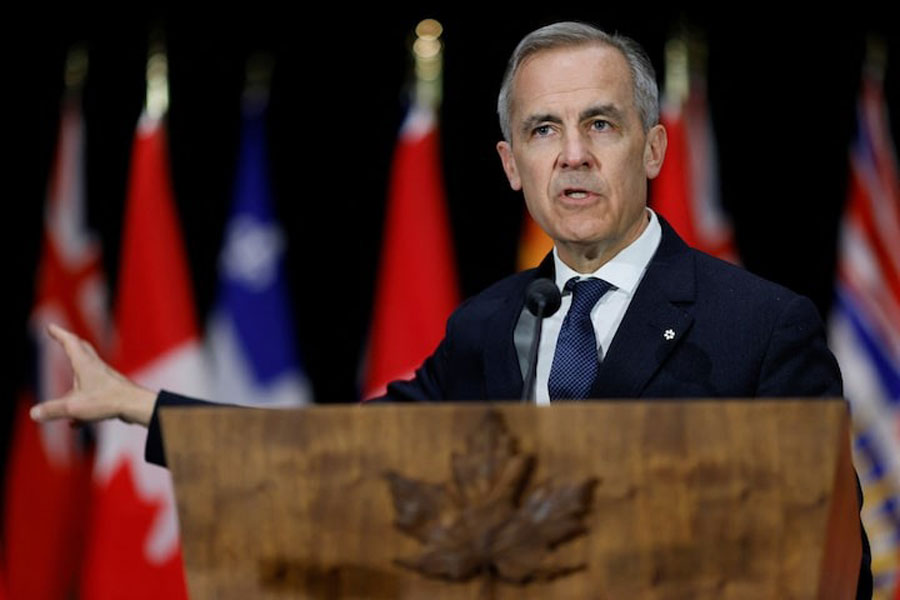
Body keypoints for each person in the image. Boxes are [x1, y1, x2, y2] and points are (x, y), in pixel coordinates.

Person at [31, 21, 871, 596]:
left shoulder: (762, 327)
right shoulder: (490, 326)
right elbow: (344, 458)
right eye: (543, 130)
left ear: (652, 147)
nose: (573, 155)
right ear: (511, 165)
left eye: (601, 125)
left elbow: (836, 563)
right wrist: (143, 406)